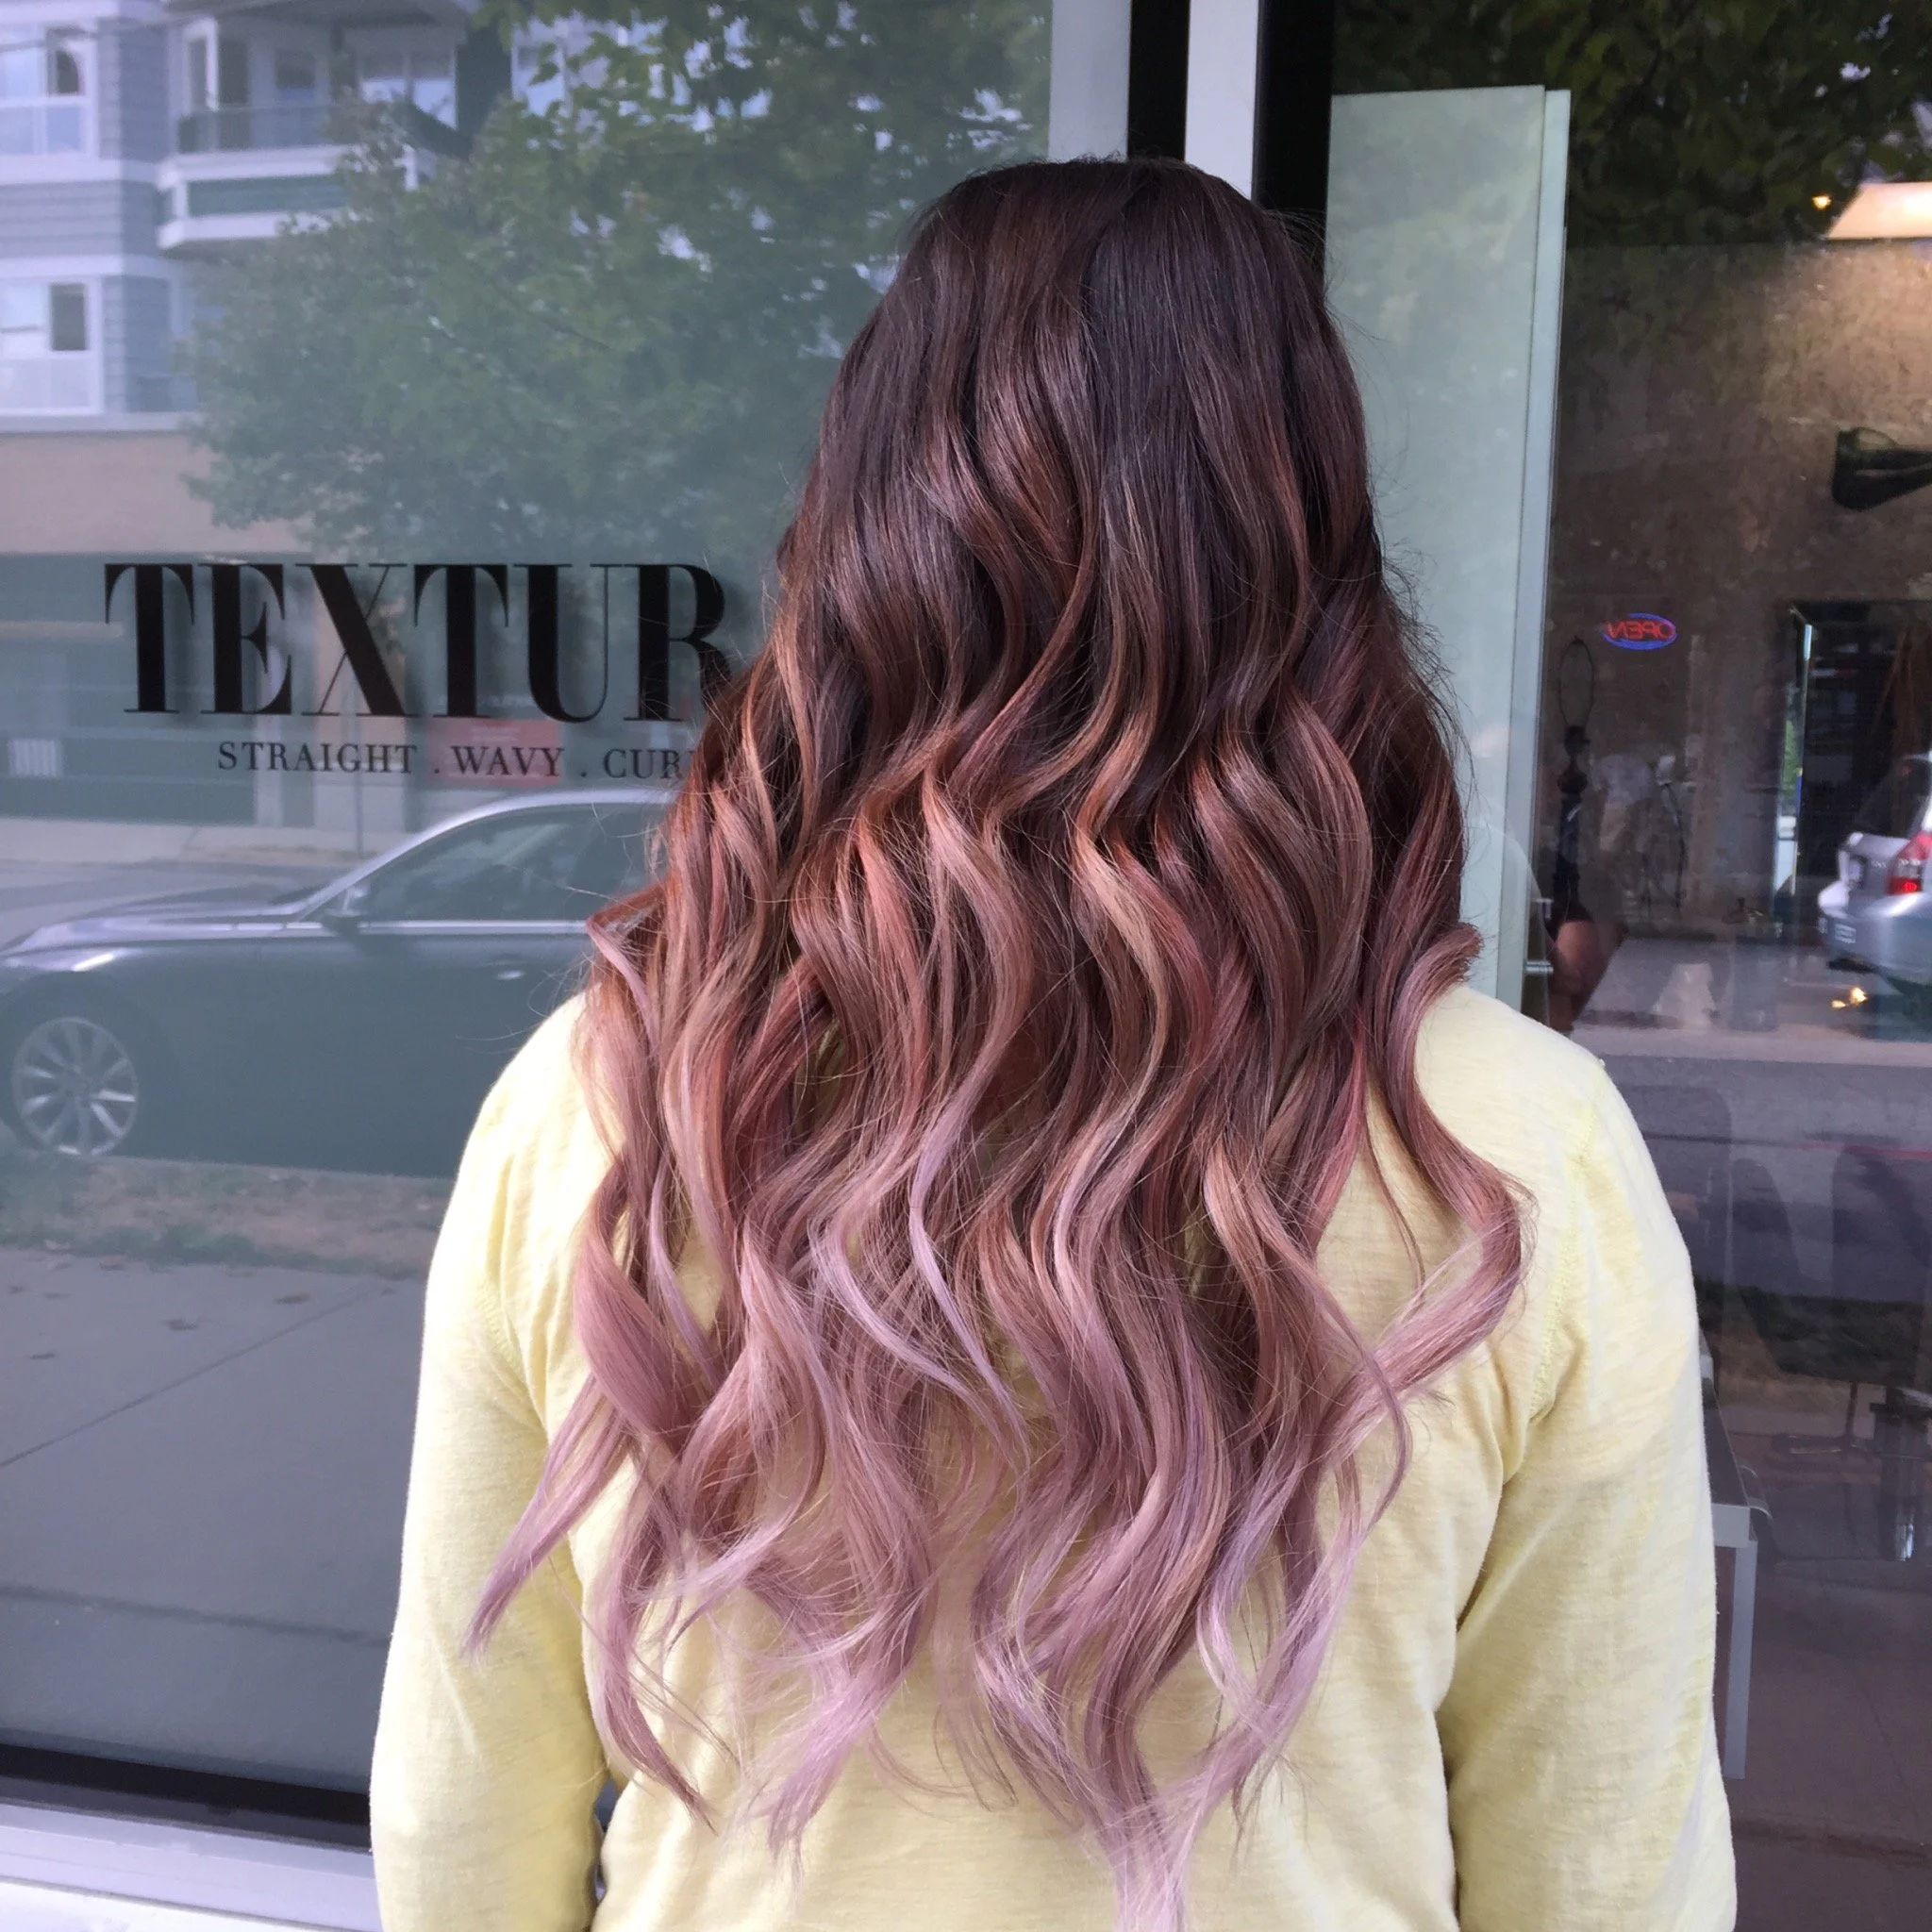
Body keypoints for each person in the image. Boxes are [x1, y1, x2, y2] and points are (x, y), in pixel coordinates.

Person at [371, 158, 1733, 1932]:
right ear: (1317, 570)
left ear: (857, 551)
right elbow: (1606, 1873)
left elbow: (464, 1827)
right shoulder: (1522, 1147)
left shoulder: (604, 1101)